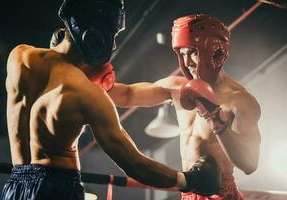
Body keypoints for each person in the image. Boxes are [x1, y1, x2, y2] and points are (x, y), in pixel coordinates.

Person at [0, 1, 221, 199]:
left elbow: (125, 93)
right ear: (95, 35)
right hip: (58, 189)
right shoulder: (87, 94)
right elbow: (135, 164)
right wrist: (189, 180)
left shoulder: (20, 57)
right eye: (113, 35)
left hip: (14, 186)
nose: (113, 45)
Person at [108, 14, 261, 200]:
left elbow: (250, 164)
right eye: (182, 53)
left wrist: (215, 118)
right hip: (189, 190)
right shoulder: (176, 87)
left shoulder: (239, 100)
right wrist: (95, 78)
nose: (187, 62)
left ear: (216, 52)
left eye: (193, 52)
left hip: (220, 194)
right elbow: (127, 95)